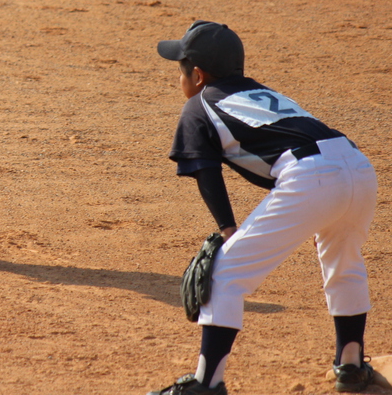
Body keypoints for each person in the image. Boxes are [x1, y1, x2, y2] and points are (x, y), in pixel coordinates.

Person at [148, 21, 377, 395]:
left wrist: (227, 230)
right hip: (358, 166)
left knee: (223, 273)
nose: (179, 77)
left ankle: (207, 384)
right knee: (344, 261)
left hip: (311, 175)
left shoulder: (199, 104)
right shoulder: (259, 91)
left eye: (181, 68)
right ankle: (351, 367)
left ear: (199, 74)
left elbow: (207, 172)